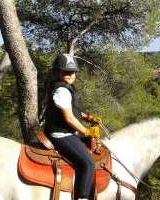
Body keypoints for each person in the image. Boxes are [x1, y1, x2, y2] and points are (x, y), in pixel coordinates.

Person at [44, 53, 101, 200]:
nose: (70, 74)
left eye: (72, 72)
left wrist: (87, 117)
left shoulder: (65, 87)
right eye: (66, 71)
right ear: (57, 72)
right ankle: (82, 198)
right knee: (88, 163)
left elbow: (72, 110)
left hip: (64, 132)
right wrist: (87, 131)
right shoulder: (61, 90)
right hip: (60, 134)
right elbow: (69, 118)